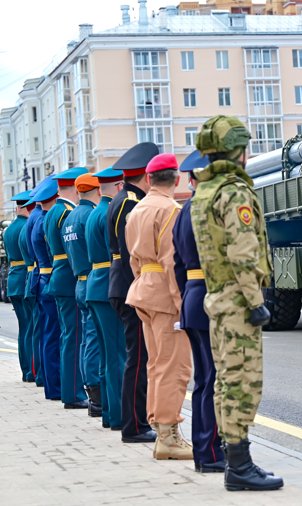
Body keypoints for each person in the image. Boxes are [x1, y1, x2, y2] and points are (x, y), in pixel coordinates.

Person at [192, 115, 283, 491]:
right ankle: (240, 466)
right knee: (243, 382)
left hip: (217, 296)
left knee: (225, 381)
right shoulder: (234, 192)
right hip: (237, 299)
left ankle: (235, 460)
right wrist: (256, 300)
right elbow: (243, 252)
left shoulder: (204, 192)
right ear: (238, 151)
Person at [125, 152, 192, 460]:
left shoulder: (136, 211)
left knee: (155, 364)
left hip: (143, 290)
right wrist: (182, 306)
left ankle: (159, 426)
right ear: (175, 180)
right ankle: (168, 433)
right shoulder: (170, 210)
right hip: (165, 295)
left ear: (149, 180)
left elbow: (134, 260)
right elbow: (171, 261)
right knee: (174, 367)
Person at [173, 150, 225, 473]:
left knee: (203, 379)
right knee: (214, 379)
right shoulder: (208, 209)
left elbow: (177, 263)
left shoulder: (182, 212)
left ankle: (203, 451)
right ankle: (210, 452)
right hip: (210, 296)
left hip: (192, 296)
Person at [108, 142, 158, 444]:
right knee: (138, 359)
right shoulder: (130, 203)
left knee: (135, 356)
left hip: (120, 282)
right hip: (129, 284)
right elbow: (133, 251)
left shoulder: (120, 199)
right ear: (146, 175)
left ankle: (135, 421)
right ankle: (135, 426)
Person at [87, 167, 127, 431]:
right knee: (117, 356)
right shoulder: (108, 212)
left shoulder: (94, 213)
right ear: (118, 185)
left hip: (94, 284)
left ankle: (109, 414)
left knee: (106, 355)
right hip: (107, 285)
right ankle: (118, 415)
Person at [45, 167, 89, 410]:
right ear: (74, 186)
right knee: (73, 338)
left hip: (58, 275)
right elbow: (72, 249)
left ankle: (68, 389)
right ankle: (72, 393)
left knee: (67, 336)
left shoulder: (53, 212)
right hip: (68, 276)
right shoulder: (66, 212)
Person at [62, 172, 104, 419]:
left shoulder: (70, 217)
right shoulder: (89, 215)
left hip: (79, 280)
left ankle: (91, 391)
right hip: (92, 279)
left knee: (85, 340)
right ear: (97, 191)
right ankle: (96, 395)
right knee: (94, 341)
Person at [28, 176, 64, 402]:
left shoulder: (36, 218)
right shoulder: (44, 220)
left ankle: (50, 382)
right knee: (53, 335)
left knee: (47, 334)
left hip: (42, 277)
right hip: (50, 277)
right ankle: (55, 386)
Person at [5, 190, 34, 381]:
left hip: (13, 279)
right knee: (30, 328)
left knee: (24, 328)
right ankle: (30, 371)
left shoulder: (9, 229)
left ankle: (25, 369)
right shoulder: (25, 227)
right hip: (24, 278)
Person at [22, 190, 44, 387]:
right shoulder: (38, 219)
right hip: (40, 276)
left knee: (32, 329)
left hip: (32, 277)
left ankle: (33, 371)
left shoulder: (25, 224)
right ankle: (36, 372)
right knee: (39, 330)